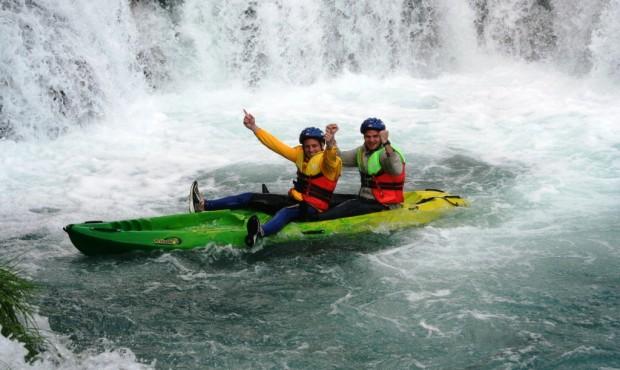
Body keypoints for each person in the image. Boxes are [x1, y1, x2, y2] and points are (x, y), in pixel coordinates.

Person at [189, 110, 342, 247]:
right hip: (297, 200)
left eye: (315, 146)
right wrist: (254, 128)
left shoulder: (329, 163)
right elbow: (275, 145)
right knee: (248, 197)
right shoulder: (300, 155)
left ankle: (260, 233)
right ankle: (203, 205)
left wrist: (330, 144)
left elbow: (330, 158)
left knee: (285, 213)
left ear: (321, 145)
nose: (311, 150)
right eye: (307, 146)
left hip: (314, 208)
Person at [316, 117, 406, 220]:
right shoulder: (361, 152)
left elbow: (396, 169)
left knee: (331, 214)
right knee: (325, 198)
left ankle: (316, 221)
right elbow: (339, 158)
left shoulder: (386, 153)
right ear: (363, 137)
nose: (371, 140)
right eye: (368, 137)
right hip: (364, 200)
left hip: (384, 204)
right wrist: (331, 140)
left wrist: (386, 142)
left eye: (375, 136)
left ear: (382, 136)